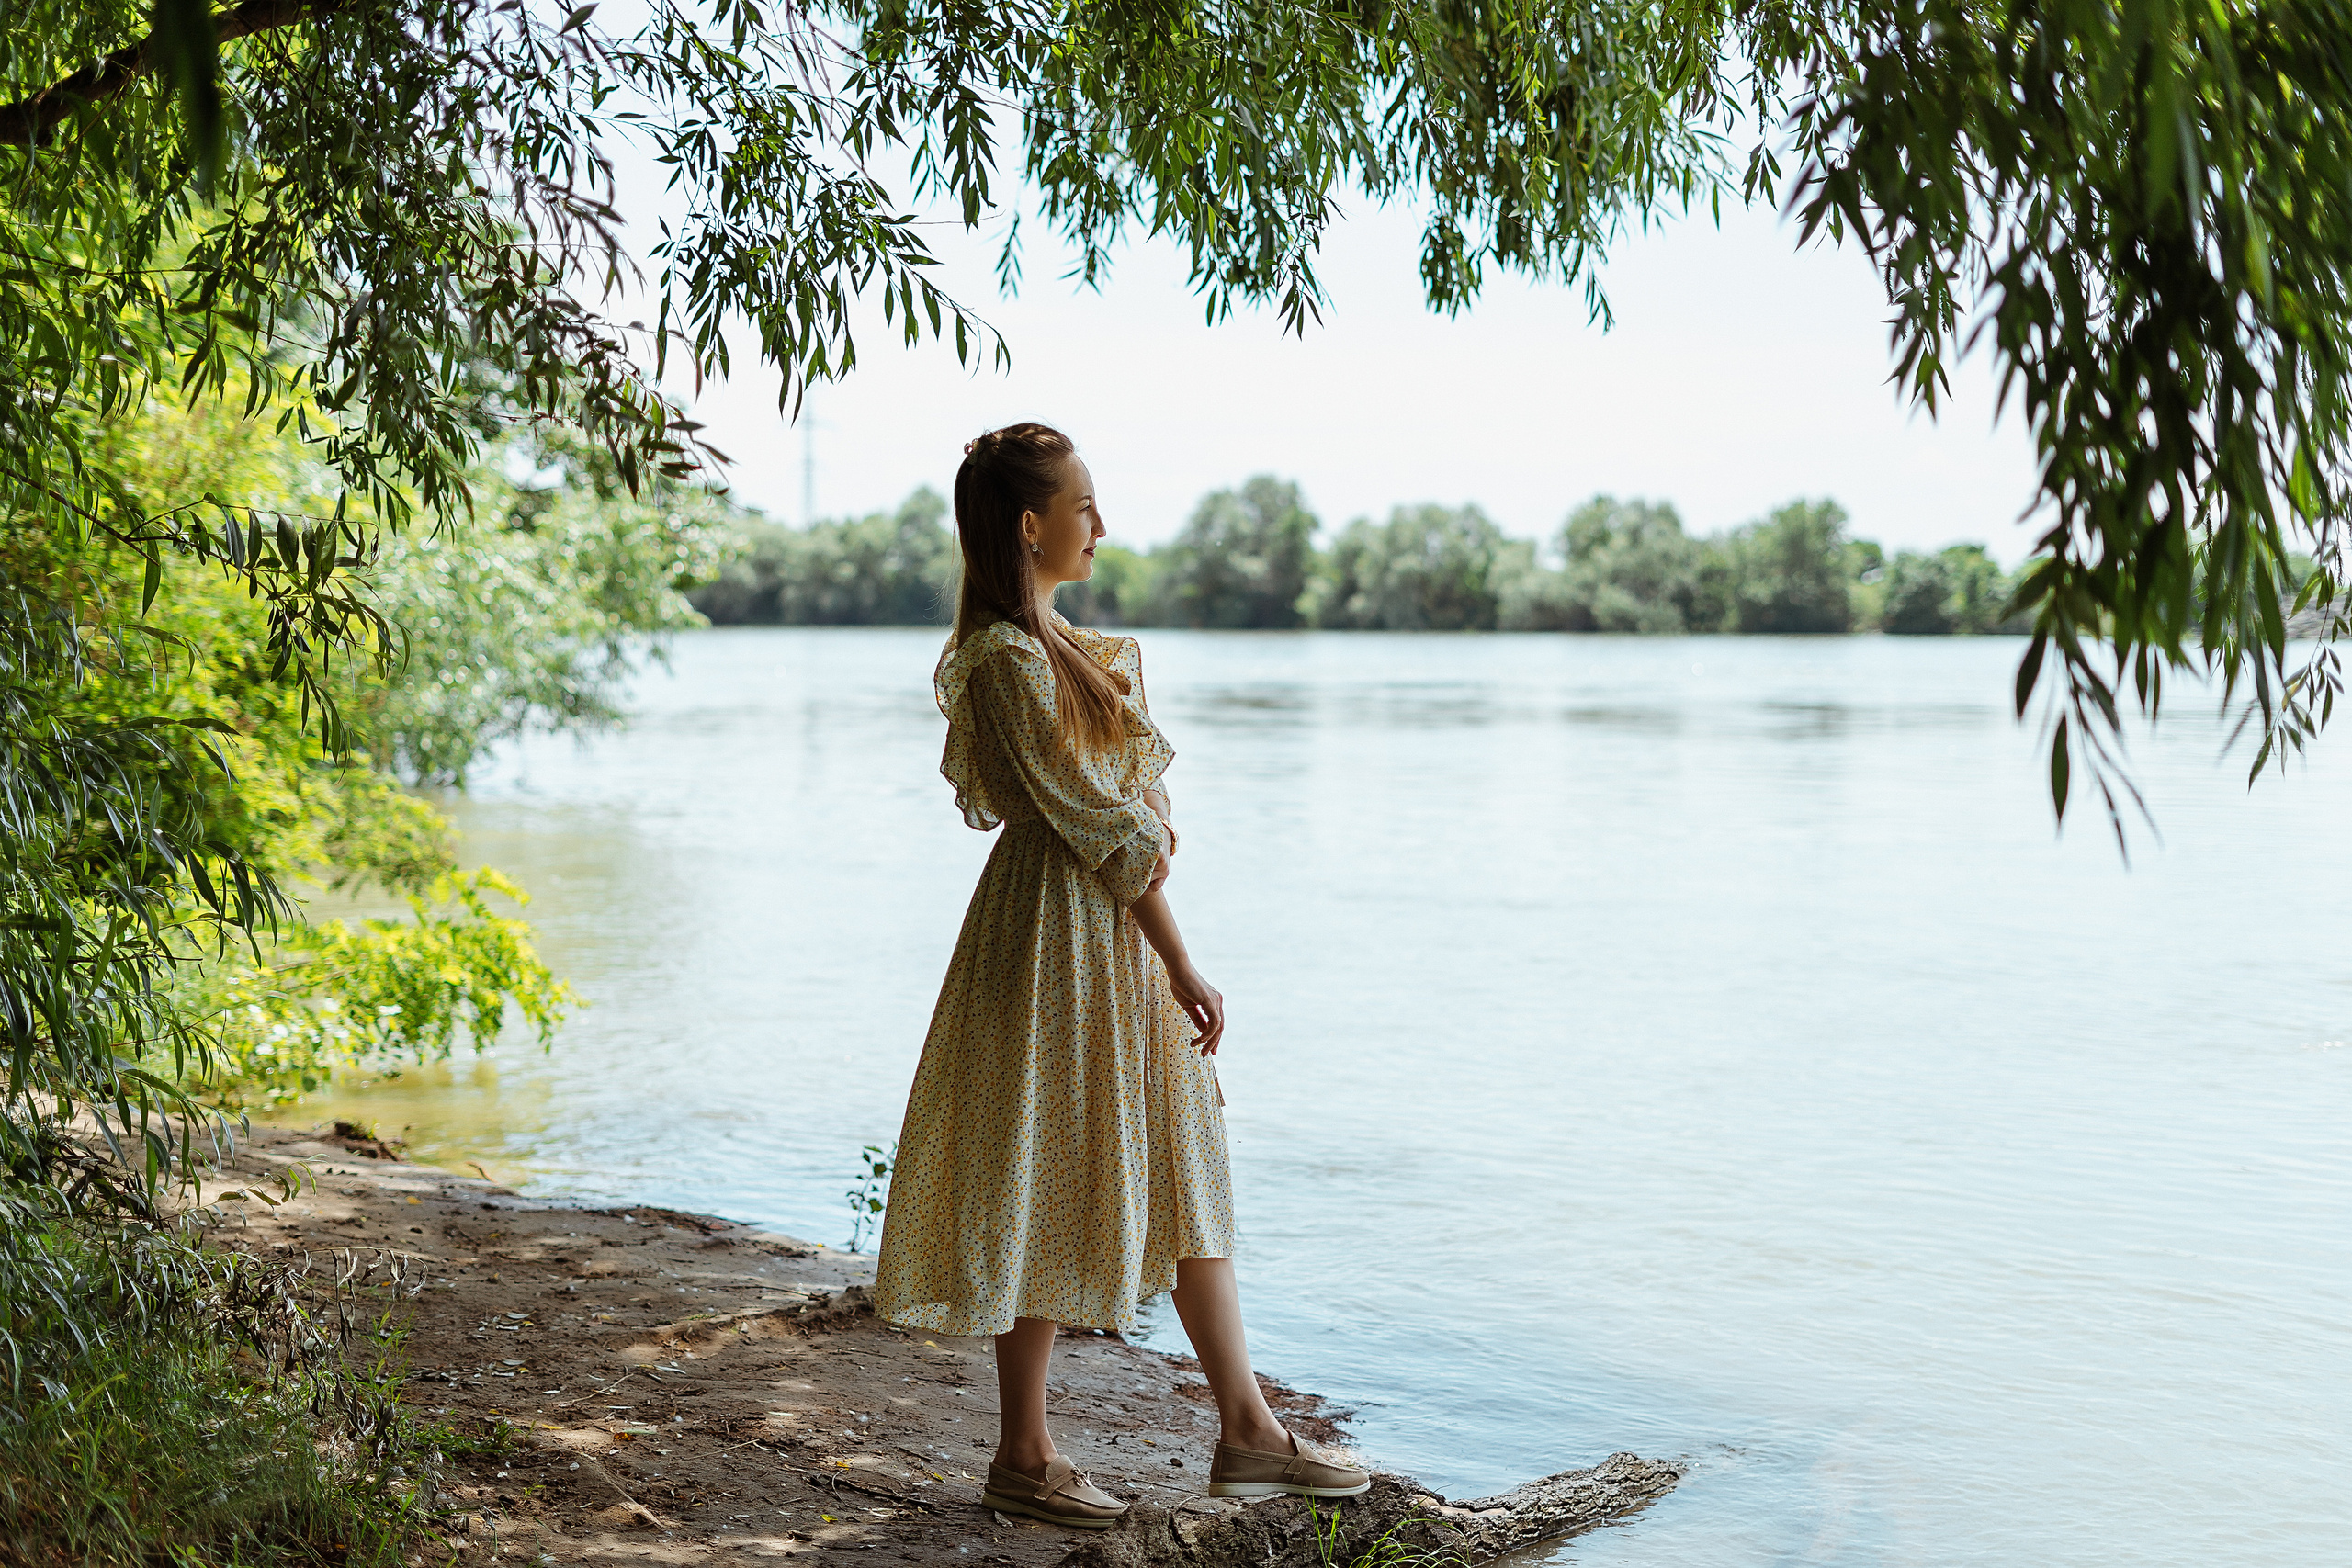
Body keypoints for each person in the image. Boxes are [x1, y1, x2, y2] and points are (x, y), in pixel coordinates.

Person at [873, 423, 1370, 1529]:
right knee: (1046, 1166)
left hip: (1106, 934)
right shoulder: (1005, 660)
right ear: (1029, 525)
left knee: (1184, 1158)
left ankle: (1245, 1428)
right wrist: (1182, 955)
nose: (1102, 524)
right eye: (1085, 505)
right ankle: (1026, 1452)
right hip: (1059, 938)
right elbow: (1101, 827)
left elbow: (1128, 815)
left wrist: (1158, 921)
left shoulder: (1067, 648)